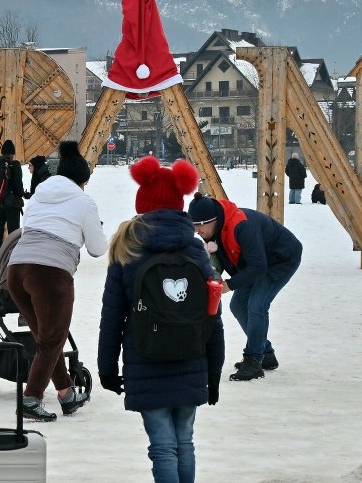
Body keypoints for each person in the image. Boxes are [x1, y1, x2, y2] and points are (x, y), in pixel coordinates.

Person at [97, 156, 225, 483]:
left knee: (162, 446)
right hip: (191, 356)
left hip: (146, 358)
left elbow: (112, 315)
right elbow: (213, 314)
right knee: (184, 441)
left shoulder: (128, 248)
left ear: (143, 203)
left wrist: (108, 369)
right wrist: (213, 371)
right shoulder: (196, 251)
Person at [4, 141, 106, 421]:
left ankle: (66, 393)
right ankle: (30, 398)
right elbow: (98, 249)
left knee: (47, 337)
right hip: (50, 274)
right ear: (82, 180)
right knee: (51, 339)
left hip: (16, 270)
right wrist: (93, 230)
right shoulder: (84, 201)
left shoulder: (38, 195)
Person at [187, 192, 301, 381]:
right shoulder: (212, 231)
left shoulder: (241, 225)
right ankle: (266, 353)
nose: (197, 230)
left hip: (281, 259)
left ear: (213, 220)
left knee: (257, 305)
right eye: (194, 226)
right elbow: (220, 260)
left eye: (200, 225)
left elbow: (259, 266)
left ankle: (254, 360)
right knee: (238, 305)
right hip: (254, 264)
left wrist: (229, 285)